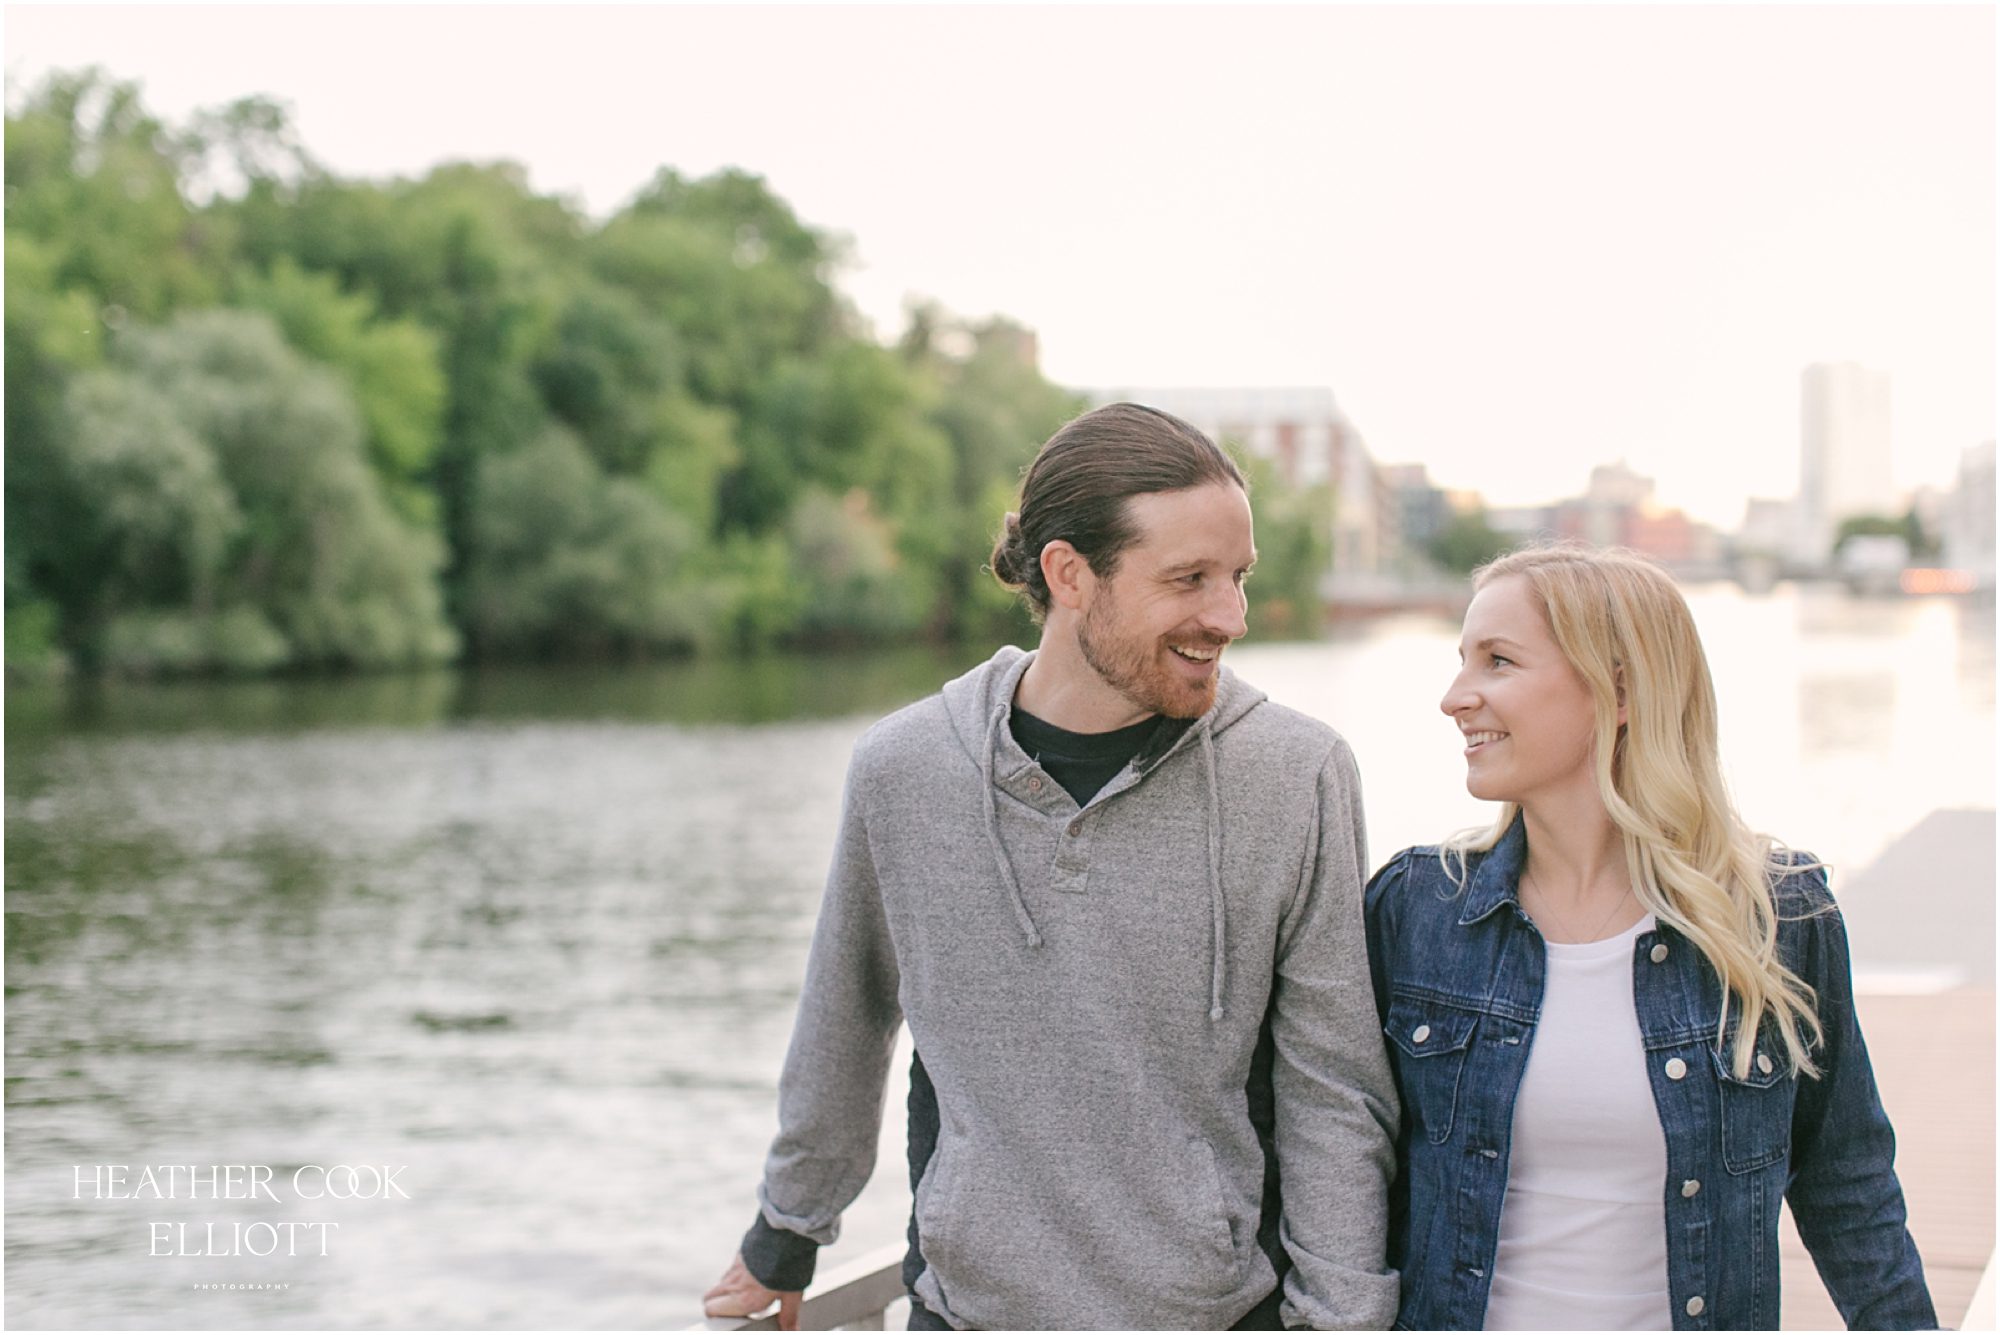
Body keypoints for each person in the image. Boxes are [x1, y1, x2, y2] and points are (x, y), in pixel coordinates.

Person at [702, 403, 1399, 1331]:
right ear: (1070, 574)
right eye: (1189, 578)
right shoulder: (906, 770)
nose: (1229, 615)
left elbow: (1334, 1089)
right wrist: (786, 1234)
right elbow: (847, 1007)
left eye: (1237, 576)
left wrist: (1342, 1320)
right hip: (968, 1313)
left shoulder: (1296, 773)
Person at [1364, 543, 1936, 1331]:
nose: (1455, 697)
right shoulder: (1416, 908)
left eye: (1497, 661)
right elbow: (1342, 1169)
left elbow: (1850, 1188)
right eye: (1463, 660)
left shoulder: (1778, 916)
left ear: (1620, 688)